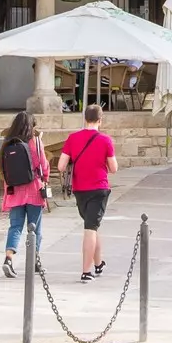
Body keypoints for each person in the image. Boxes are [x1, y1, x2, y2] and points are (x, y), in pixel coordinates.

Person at [59, 105, 117, 284]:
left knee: (92, 225)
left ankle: (98, 264)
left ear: (85, 119)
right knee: (90, 229)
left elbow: (61, 166)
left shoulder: (72, 138)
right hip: (99, 188)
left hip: (79, 189)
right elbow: (114, 168)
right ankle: (86, 271)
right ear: (100, 120)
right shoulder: (105, 140)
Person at [0, 110, 48, 279]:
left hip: (14, 191)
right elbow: (43, 165)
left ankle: (8, 259)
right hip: (34, 189)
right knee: (35, 228)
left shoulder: (7, 143)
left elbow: (3, 169)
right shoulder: (36, 142)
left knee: (15, 226)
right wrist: (45, 179)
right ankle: (34, 261)